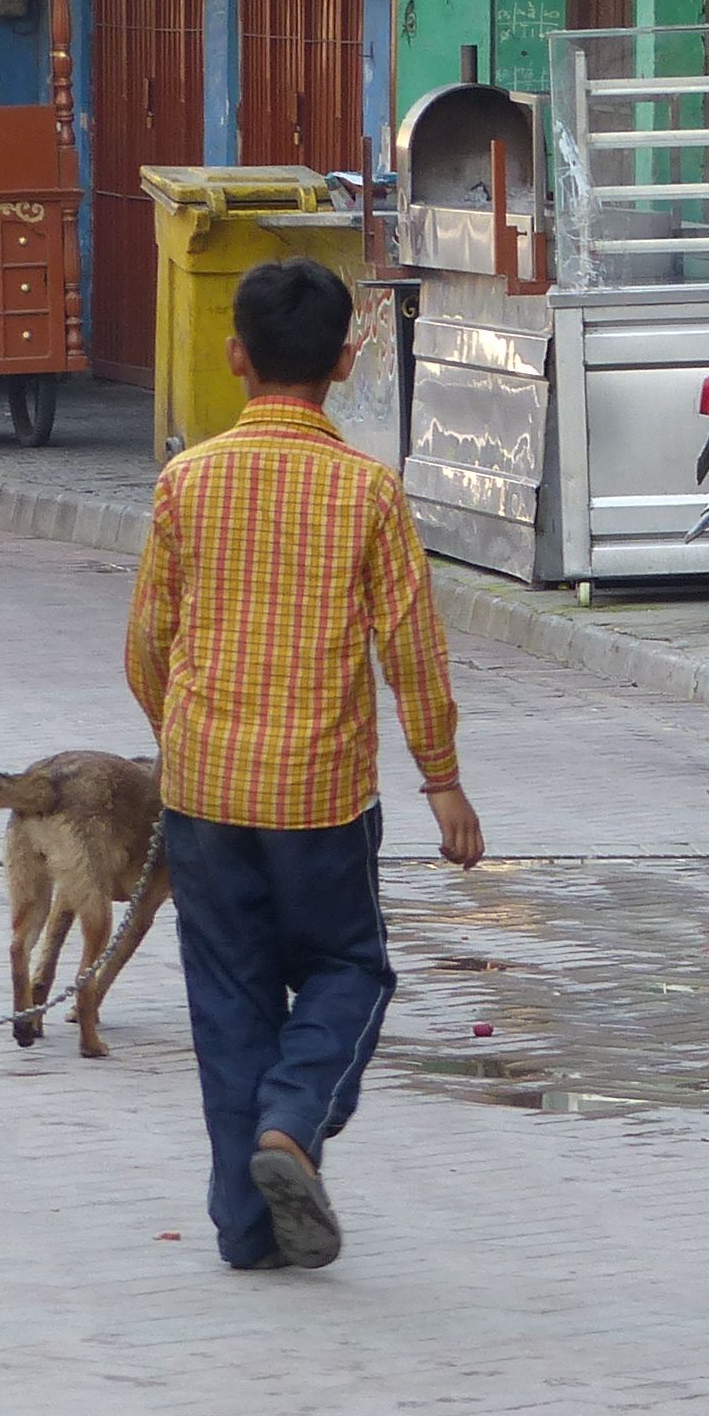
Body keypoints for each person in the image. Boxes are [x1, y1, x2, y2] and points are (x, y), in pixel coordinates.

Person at [125, 256, 482, 1271]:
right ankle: (292, 1120)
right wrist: (442, 779)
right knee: (348, 969)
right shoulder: (367, 492)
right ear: (346, 359)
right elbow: (411, 646)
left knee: (228, 998)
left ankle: (245, 1226)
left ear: (235, 358)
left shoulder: (184, 482)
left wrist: (185, 734)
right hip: (320, 798)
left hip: (202, 795)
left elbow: (147, 643)